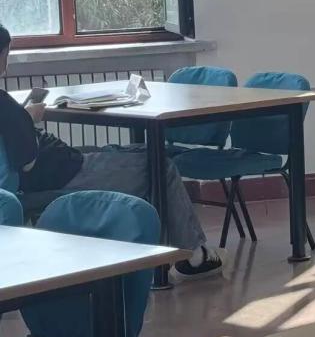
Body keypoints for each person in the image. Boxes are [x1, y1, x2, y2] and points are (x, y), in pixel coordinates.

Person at [0, 26, 221, 278]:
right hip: (65, 173)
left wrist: (23, 119)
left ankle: (155, 251)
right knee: (160, 165)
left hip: (63, 164)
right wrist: (26, 120)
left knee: (136, 151)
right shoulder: (5, 106)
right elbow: (26, 162)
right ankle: (193, 256)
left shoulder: (8, 108)